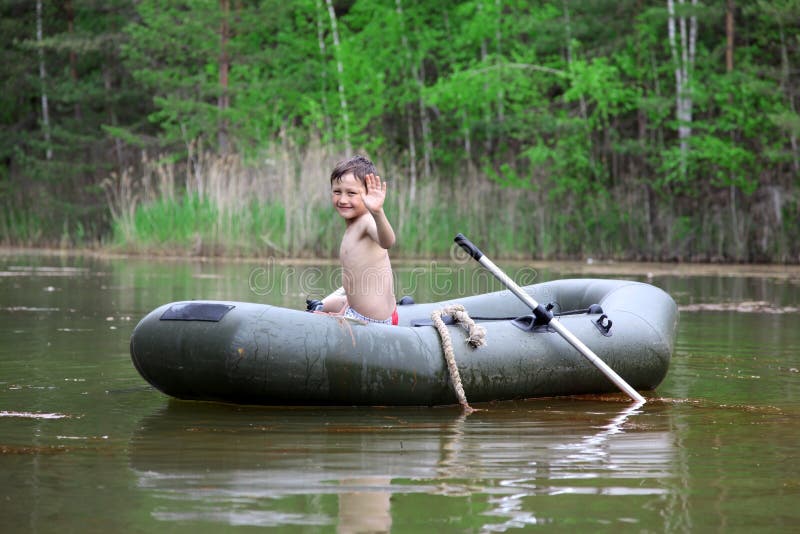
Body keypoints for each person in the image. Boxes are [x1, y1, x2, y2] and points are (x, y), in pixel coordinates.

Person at [317, 155, 398, 325]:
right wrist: (342, 308)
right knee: (321, 306)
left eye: (351, 193)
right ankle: (317, 311)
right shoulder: (352, 225)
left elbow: (387, 241)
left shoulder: (367, 221)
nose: (343, 199)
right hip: (354, 309)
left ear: (368, 195)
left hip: (372, 320)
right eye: (337, 192)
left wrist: (378, 212)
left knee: (318, 313)